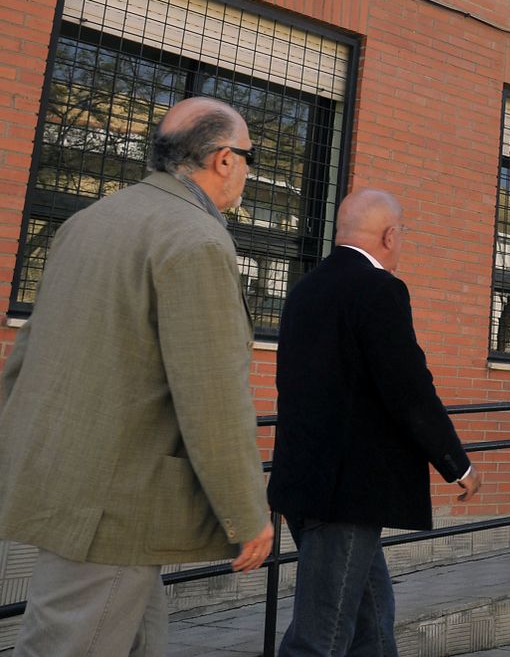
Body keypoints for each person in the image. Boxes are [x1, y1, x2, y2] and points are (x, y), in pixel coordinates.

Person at [0, 97, 274, 656]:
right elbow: (213, 397)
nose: (247, 170)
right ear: (224, 160)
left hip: (66, 480)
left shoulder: (87, 222)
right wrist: (246, 512)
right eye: (249, 157)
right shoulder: (195, 239)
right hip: (114, 502)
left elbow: (27, 354)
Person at [268, 189, 482, 656]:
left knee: (372, 623)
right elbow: (407, 387)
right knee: (320, 638)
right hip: (347, 495)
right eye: (402, 234)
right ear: (389, 235)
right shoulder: (379, 288)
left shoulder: (305, 289)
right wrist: (456, 464)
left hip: (303, 483)